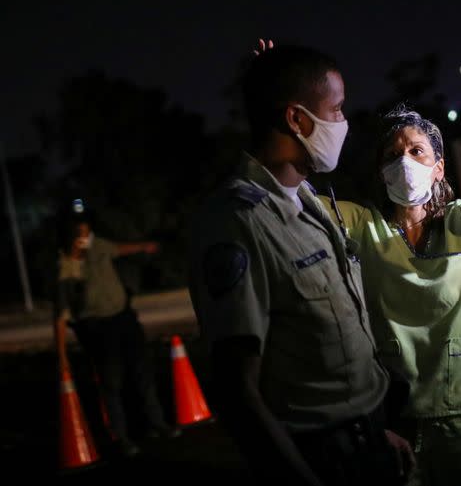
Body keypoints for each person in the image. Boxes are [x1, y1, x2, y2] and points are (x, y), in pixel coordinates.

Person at [319, 28, 461, 486]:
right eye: (393, 154)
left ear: (438, 166)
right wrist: (286, 115)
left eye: (417, 151)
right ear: (381, 172)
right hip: (397, 418)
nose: (405, 161)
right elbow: (294, 202)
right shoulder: (363, 225)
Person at [188, 42, 414, 486]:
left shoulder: (308, 200)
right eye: (336, 109)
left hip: (365, 442)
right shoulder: (237, 222)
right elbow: (238, 391)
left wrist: (374, 432)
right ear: (296, 119)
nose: (343, 123)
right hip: (319, 460)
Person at [54, 202, 181, 459]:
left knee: (141, 371)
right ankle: (121, 437)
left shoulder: (98, 245)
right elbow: (59, 315)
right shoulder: (64, 266)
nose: (83, 234)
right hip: (97, 327)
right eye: (78, 230)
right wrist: (62, 356)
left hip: (122, 318)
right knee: (111, 382)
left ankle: (157, 424)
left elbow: (117, 248)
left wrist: (144, 246)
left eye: (85, 228)